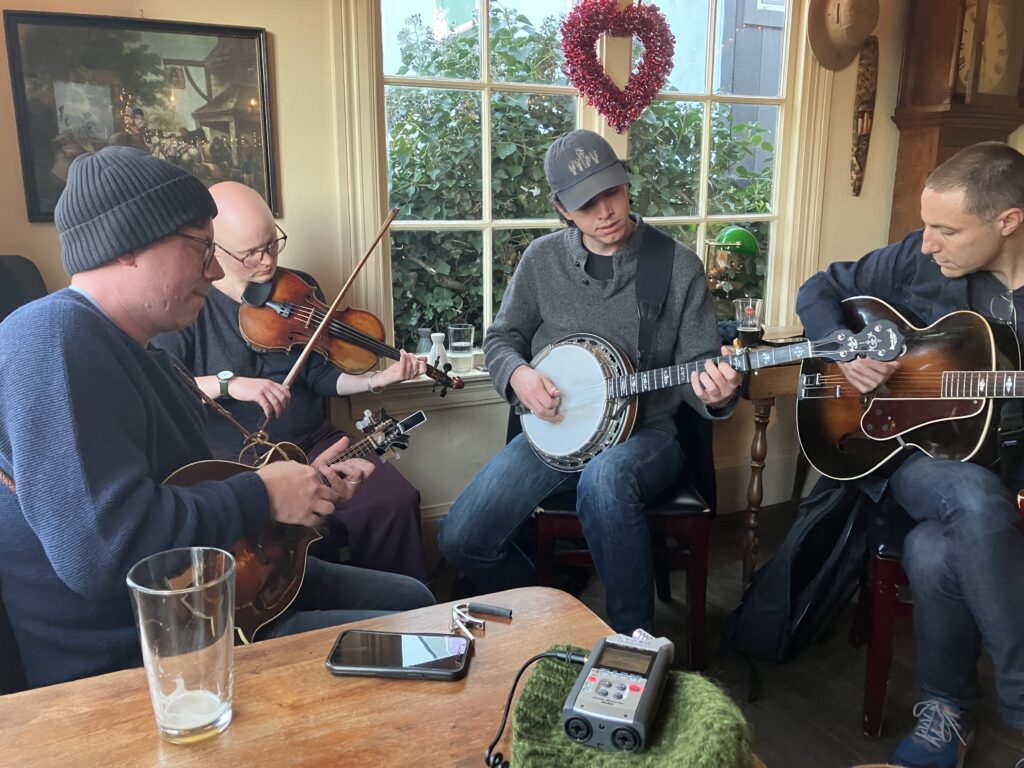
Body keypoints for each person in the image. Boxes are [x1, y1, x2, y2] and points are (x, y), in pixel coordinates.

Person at [0, 147, 434, 689]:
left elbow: (184, 496)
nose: (215, 270)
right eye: (201, 248)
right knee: (412, 650)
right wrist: (261, 495)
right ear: (128, 246)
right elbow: (103, 553)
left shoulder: (150, 357)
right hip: (150, 650)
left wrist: (302, 486)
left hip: (213, 594)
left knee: (413, 600)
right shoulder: (52, 339)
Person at [438, 129, 742, 634]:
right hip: (556, 435)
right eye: (586, 204)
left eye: (612, 192)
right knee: (461, 539)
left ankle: (633, 647)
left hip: (646, 436)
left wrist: (717, 394)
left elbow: (698, 368)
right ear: (561, 209)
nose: (606, 212)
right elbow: (502, 339)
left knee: (605, 479)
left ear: (626, 184)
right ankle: (557, 619)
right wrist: (518, 374)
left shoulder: (675, 265)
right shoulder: (542, 260)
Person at [795, 141, 1024, 768]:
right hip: (919, 458)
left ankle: (949, 709)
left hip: (1012, 472)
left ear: (1008, 221)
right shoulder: (918, 262)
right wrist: (843, 347)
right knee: (972, 497)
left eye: (946, 230)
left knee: (931, 550)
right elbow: (820, 287)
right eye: (927, 225)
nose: (927, 244)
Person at [153, 181, 430, 582]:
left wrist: (377, 379)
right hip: (239, 463)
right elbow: (164, 388)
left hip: (314, 442)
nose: (268, 261)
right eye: (251, 253)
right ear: (215, 248)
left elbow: (320, 374)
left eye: (273, 243)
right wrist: (230, 384)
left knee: (393, 500)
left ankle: (404, 610)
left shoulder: (297, 289)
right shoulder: (189, 303)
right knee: (286, 537)